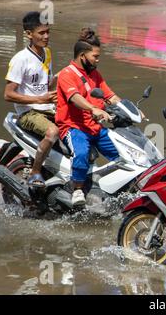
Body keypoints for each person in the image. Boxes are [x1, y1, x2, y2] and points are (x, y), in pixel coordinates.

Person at [55, 28, 122, 206]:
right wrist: (94, 108)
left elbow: (110, 96)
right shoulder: (66, 74)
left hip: (95, 127)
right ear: (83, 55)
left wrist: (127, 108)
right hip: (73, 127)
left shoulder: (94, 74)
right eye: (95, 56)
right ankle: (77, 189)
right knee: (82, 152)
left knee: (121, 153)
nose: (97, 60)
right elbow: (75, 98)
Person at [4, 11, 58, 188]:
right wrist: (40, 99)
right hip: (28, 113)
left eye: (48, 32)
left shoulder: (47, 53)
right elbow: (8, 94)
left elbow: (46, 86)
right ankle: (35, 172)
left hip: (46, 108)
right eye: (41, 33)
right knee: (52, 132)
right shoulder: (20, 59)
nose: (46, 36)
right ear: (29, 34)